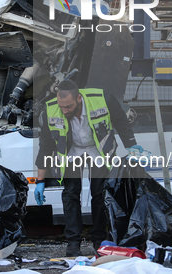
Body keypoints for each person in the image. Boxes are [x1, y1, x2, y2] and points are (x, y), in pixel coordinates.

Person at [34, 80, 136, 257]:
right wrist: (40, 181)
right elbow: (46, 147)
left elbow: (121, 122)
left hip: (98, 150)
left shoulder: (102, 99)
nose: (64, 110)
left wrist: (132, 146)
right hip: (71, 151)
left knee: (100, 194)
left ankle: (99, 240)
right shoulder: (50, 110)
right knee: (71, 193)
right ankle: (73, 242)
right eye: (61, 106)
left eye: (68, 106)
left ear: (79, 98)